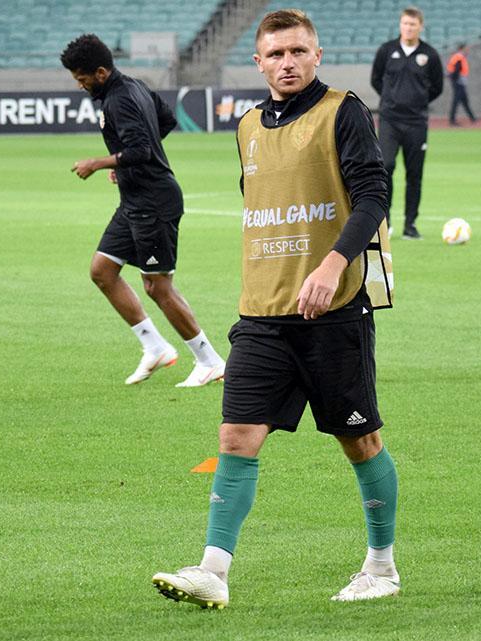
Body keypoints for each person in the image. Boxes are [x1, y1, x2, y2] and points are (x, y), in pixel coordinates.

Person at [151, 9, 399, 608]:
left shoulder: (343, 111)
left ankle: (382, 567)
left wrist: (332, 264)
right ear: (258, 62)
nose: (288, 63)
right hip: (261, 313)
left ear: (317, 56)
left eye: (298, 51)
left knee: (360, 441)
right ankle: (213, 571)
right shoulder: (247, 126)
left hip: (335, 309)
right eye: (277, 54)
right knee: (236, 435)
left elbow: (373, 195)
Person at [61, 34, 226, 388]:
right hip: (134, 200)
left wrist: (101, 163)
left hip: (154, 201)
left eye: (82, 78)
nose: (79, 85)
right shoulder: (136, 86)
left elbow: (141, 150)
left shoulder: (119, 99)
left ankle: (209, 360)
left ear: (101, 72)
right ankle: (155, 347)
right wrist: (123, 166)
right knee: (102, 270)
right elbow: (166, 121)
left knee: (157, 286)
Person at [371, 6, 443, 240]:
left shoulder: (430, 55)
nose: (408, 28)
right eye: (405, 24)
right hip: (390, 120)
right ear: (400, 25)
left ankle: (410, 225)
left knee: (414, 173)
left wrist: (417, 101)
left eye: (412, 24)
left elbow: (437, 87)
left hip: (416, 122)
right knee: (386, 166)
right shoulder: (386, 50)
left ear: (420, 26)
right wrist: (391, 100)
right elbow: (376, 79)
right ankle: (386, 221)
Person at [447, 43, 478, 126]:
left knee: (464, 101)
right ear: (462, 49)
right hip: (458, 82)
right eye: (466, 48)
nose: (468, 50)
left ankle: (472, 117)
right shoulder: (459, 57)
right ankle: (452, 120)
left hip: (459, 81)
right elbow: (456, 70)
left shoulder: (459, 57)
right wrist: (456, 80)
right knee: (456, 101)